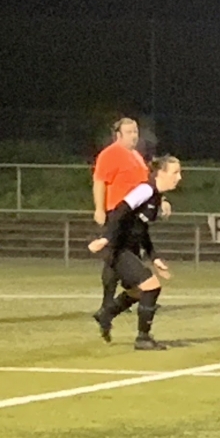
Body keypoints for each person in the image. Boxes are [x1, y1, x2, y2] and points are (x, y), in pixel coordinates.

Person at [87, 155, 180, 350]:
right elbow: (119, 211)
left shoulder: (155, 196)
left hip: (127, 248)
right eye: (175, 172)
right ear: (161, 173)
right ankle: (143, 338)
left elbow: (141, 229)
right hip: (117, 248)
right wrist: (106, 239)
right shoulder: (146, 190)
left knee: (137, 292)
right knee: (151, 286)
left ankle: (106, 313)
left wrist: (154, 257)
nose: (179, 177)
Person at [90, 116, 149, 315]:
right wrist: (99, 208)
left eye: (135, 131)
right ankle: (108, 303)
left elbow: (145, 185)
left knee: (131, 259)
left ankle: (131, 297)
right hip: (116, 213)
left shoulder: (136, 156)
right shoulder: (110, 154)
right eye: (129, 132)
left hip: (133, 216)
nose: (134, 136)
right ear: (118, 135)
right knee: (114, 257)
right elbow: (100, 181)